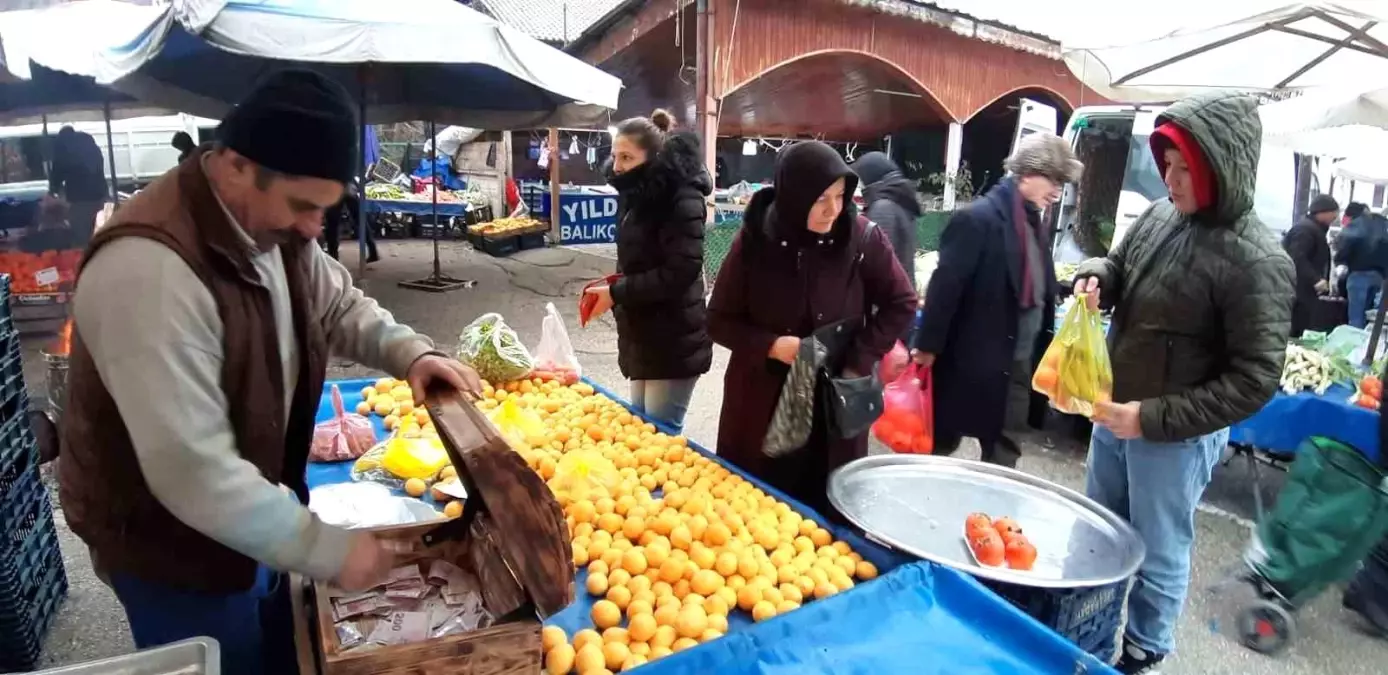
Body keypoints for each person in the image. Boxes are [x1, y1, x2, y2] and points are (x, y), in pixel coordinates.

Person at [59, 69, 482, 673]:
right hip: (174, 549)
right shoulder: (148, 271)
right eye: (303, 206)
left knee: (282, 646)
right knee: (225, 658)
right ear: (233, 164)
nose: (314, 229)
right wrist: (325, 548)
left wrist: (410, 352)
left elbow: (337, 303)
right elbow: (192, 474)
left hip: (259, 509)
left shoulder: (269, 227)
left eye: (324, 209)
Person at [1072, 91, 1294, 673]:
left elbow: (1254, 380)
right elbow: (1118, 267)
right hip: (1113, 412)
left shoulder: (1258, 261)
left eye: (1181, 168)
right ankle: (1087, 629)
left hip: (1173, 438)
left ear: (1219, 168)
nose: (1169, 179)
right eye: (1165, 165)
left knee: (1159, 550)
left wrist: (1149, 418)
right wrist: (1096, 277)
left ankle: (1143, 652)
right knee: (1099, 532)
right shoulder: (1158, 215)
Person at [707, 141, 916, 516]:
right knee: (754, 512)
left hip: (833, 405)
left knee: (829, 516)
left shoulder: (861, 237)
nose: (833, 209)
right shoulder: (756, 241)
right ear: (794, 196)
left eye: (840, 195)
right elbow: (718, 320)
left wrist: (859, 358)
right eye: (821, 198)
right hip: (762, 403)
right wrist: (770, 345)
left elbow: (901, 301)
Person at [912, 134, 1081, 468]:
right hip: (970, 359)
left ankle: (993, 519)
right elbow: (946, 287)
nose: (1058, 192)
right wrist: (927, 346)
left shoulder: (1033, 221)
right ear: (1027, 173)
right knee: (940, 444)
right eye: (1054, 180)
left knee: (1005, 452)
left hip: (1014, 364)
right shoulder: (977, 219)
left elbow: (1034, 279)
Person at [582, 110, 713, 431]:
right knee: (640, 428)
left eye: (626, 157)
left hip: (673, 338)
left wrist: (616, 292)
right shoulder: (636, 194)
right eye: (614, 156)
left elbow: (679, 272)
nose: (617, 167)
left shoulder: (683, 198)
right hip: (643, 334)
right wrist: (611, 287)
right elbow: (638, 259)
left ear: (655, 156)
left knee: (658, 437)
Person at [851, 152, 921, 299]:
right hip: (902, 294)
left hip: (886, 300)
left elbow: (874, 262)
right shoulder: (900, 202)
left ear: (870, 178)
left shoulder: (882, 208)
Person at [1282, 194, 1337, 337]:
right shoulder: (1305, 230)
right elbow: (1296, 257)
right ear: (1323, 212)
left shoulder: (1314, 229)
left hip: (1304, 291)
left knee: (1303, 323)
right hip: (1297, 291)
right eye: (1334, 212)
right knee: (1297, 325)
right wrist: (1316, 279)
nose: (1336, 216)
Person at [48, 125, 108, 247]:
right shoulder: (90, 144)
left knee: (81, 234)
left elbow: (57, 170)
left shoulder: (64, 147)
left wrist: (52, 189)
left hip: (79, 198)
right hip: (100, 194)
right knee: (100, 230)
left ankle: (85, 257)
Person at [1335, 203, 1388, 328]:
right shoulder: (1383, 225)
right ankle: (1369, 345)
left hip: (1358, 274)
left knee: (1356, 317)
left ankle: (1356, 345)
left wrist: (1339, 260)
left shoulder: (1358, 224)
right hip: (1380, 278)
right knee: (1372, 317)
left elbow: (1344, 247)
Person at [323, 179, 379, 263]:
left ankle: (333, 256)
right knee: (360, 220)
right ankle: (373, 251)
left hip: (336, 186)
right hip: (348, 186)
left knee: (332, 224)